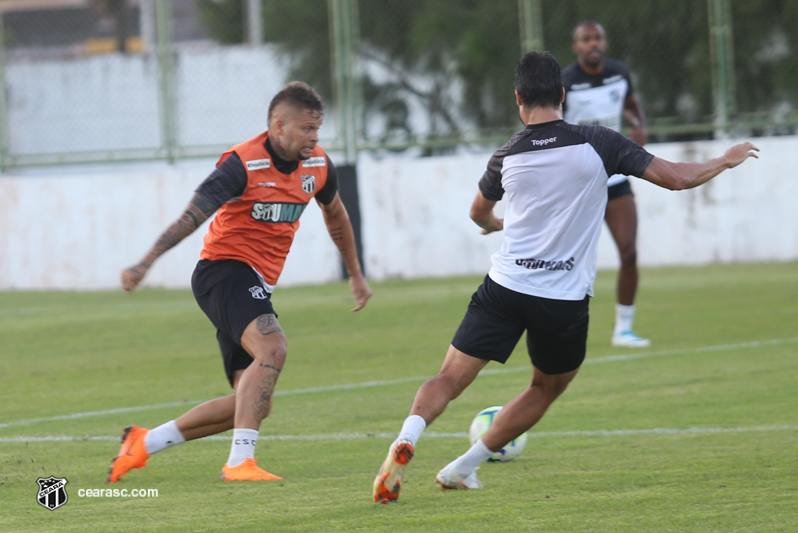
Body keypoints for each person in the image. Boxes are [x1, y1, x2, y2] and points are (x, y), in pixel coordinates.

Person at [372, 51, 758, 503]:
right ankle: (463, 466)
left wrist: (497, 226)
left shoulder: (507, 154)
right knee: (546, 387)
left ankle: (408, 439)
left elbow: (478, 211)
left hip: (504, 287)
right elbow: (674, 178)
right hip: (562, 300)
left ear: (518, 98)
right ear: (562, 95)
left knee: (449, 379)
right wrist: (725, 160)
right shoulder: (599, 141)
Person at [109, 81, 372, 483]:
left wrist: (355, 273)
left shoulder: (318, 165)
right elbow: (190, 217)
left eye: (318, 130)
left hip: (255, 282)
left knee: (251, 402)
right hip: (223, 271)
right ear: (277, 125)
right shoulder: (242, 164)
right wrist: (146, 262)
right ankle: (239, 463)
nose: (314, 138)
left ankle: (143, 444)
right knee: (274, 347)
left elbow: (335, 215)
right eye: (306, 129)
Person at [562, 20, 651, 347]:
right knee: (568, 259)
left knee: (628, 251)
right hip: (578, 183)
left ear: (605, 42)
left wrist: (639, 125)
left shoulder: (619, 73)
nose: (593, 43)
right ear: (577, 47)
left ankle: (623, 329)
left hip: (614, 177)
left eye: (597, 37)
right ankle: (559, 328)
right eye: (586, 39)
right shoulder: (567, 81)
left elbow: (630, 104)